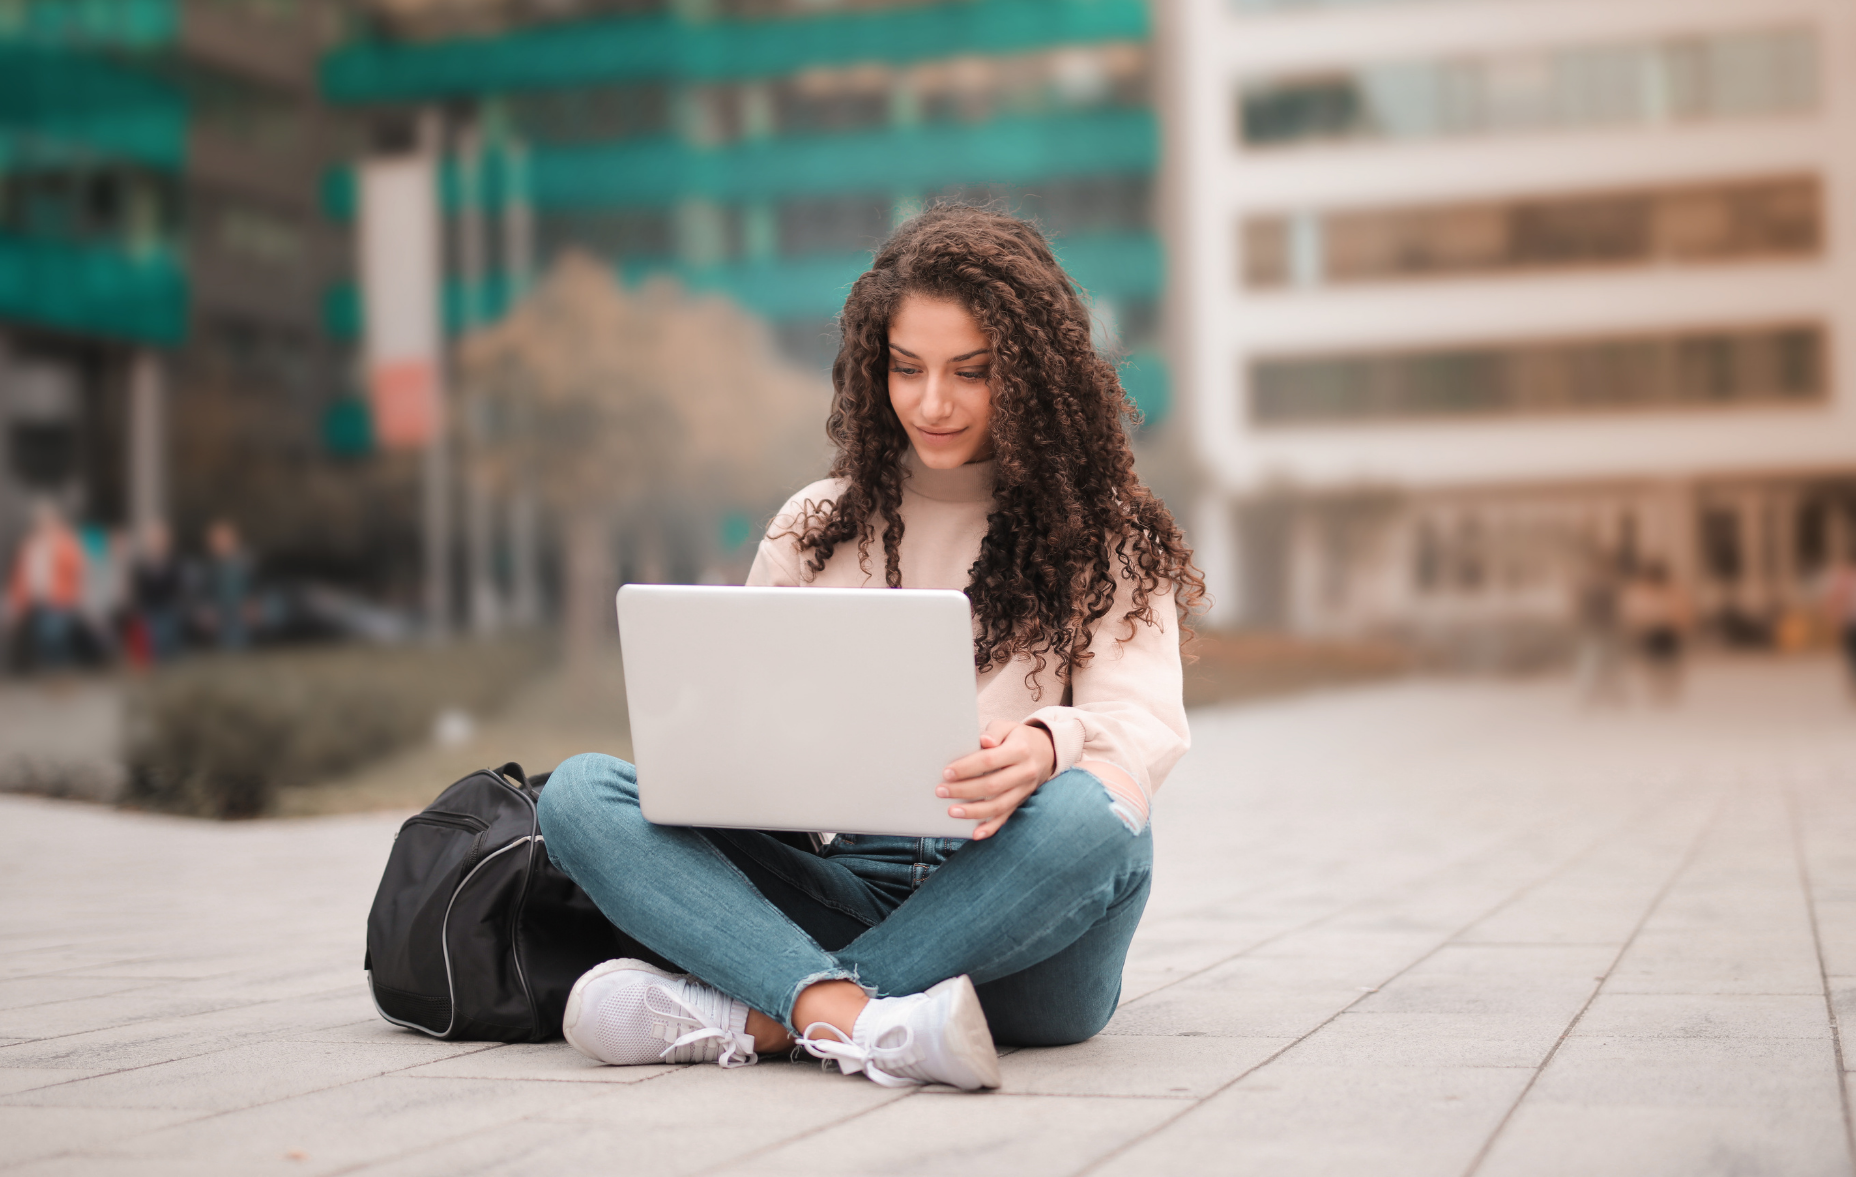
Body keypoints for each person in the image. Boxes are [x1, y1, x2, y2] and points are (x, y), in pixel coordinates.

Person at [537, 205, 1202, 1091]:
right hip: (845, 880)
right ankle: (865, 1023)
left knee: (1105, 818)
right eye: (907, 368)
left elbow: (1144, 724)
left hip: (1025, 924)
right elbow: (735, 720)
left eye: (971, 372)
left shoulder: (1104, 533)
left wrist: (1050, 744)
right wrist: (715, 746)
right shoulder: (818, 524)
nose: (933, 403)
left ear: (1036, 374)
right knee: (581, 792)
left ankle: (778, 1014)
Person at [5, 500, 85, 672]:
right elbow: (21, 576)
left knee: (55, 636)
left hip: (60, 600)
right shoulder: (30, 545)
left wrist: (77, 596)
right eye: (40, 521)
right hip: (37, 602)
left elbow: (76, 568)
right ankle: (52, 675)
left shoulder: (65, 542)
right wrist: (14, 603)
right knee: (43, 640)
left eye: (47, 520)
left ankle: (62, 672)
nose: (43, 524)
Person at [1623, 559, 1691, 703]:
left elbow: (1683, 613)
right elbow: (1634, 615)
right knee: (1658, 667)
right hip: (1656, 634)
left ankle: (1665, 694)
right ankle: (1661, 694)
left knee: (1665, 667)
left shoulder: (1670, 591)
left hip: (1664, 633)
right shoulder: (1645, 592)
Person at [129, 520, 185, 663]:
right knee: (155, 641)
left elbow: (179, 587)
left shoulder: (174, 562)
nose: (157, 542)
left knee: (168, 637)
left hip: (168, 607)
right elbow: (138, 589)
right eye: (154, 539)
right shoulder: (141, 564)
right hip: (149, 608)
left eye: (160, 539)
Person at [200, 518, 253, 650]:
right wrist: (207, 610)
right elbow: (204, 593)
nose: (221, 543)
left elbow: (255, 587)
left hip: (241, 613)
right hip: (220, 615)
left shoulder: (246, 563)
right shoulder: (209, 567)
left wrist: (252, 603)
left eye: (224, 539)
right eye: (217, 540)